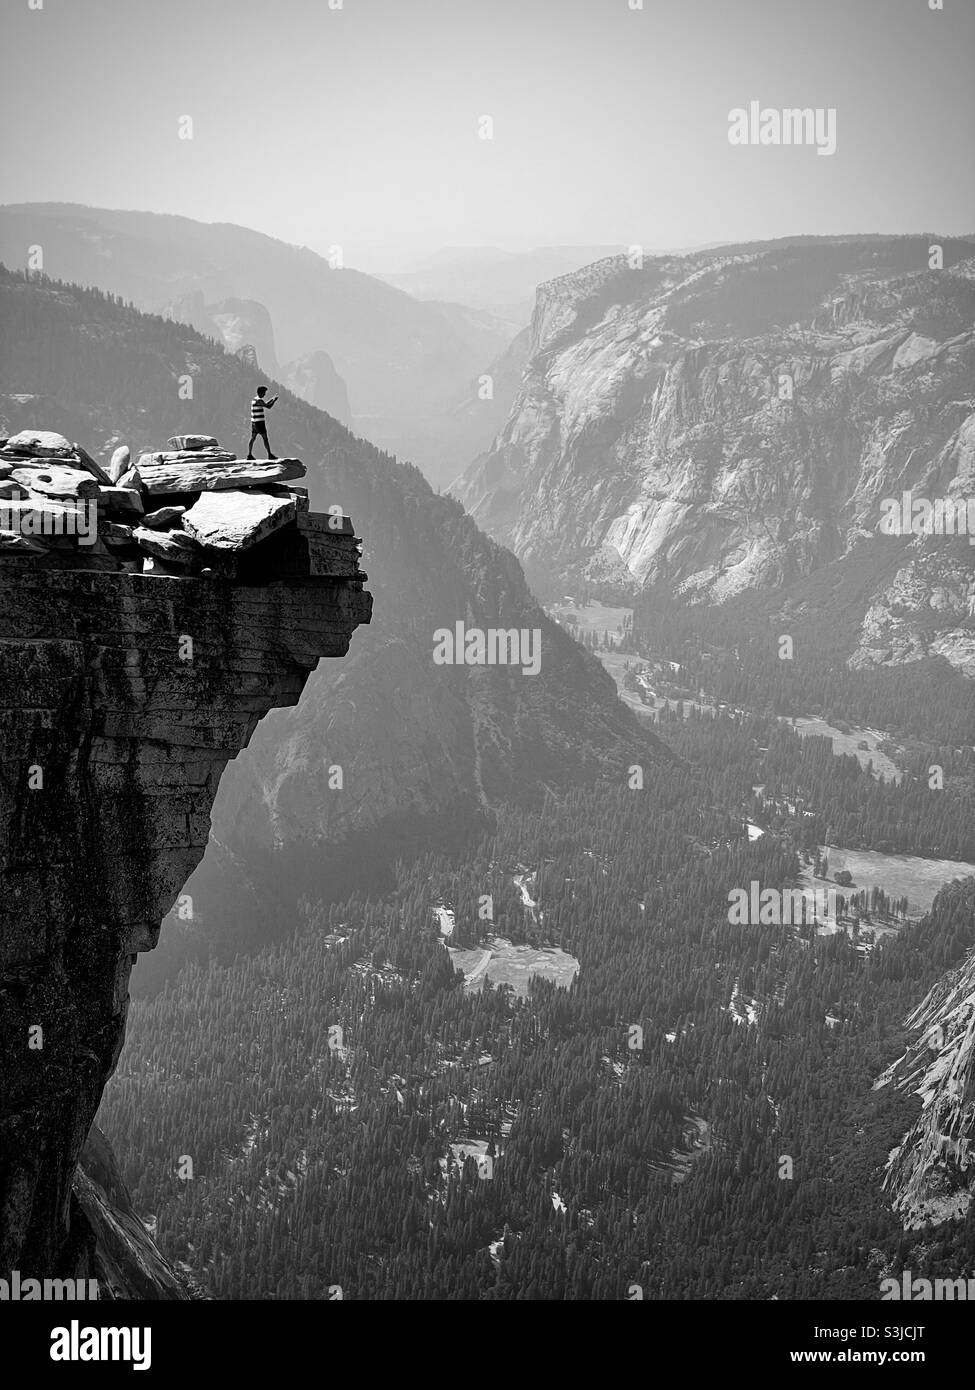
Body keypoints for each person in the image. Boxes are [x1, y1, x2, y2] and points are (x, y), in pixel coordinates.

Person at [246, 386, 278, 459]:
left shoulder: (255, 399)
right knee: (265, 438)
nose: (264, 394)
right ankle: (270, 455)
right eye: (264, 392)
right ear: (260, 392)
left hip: (254, 423)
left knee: (253, 438)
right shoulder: (259, 400)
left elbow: (265, 404)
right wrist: (274, 400)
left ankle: (249, 455)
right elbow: (268, 406)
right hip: (260, 423)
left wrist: (272, 399)